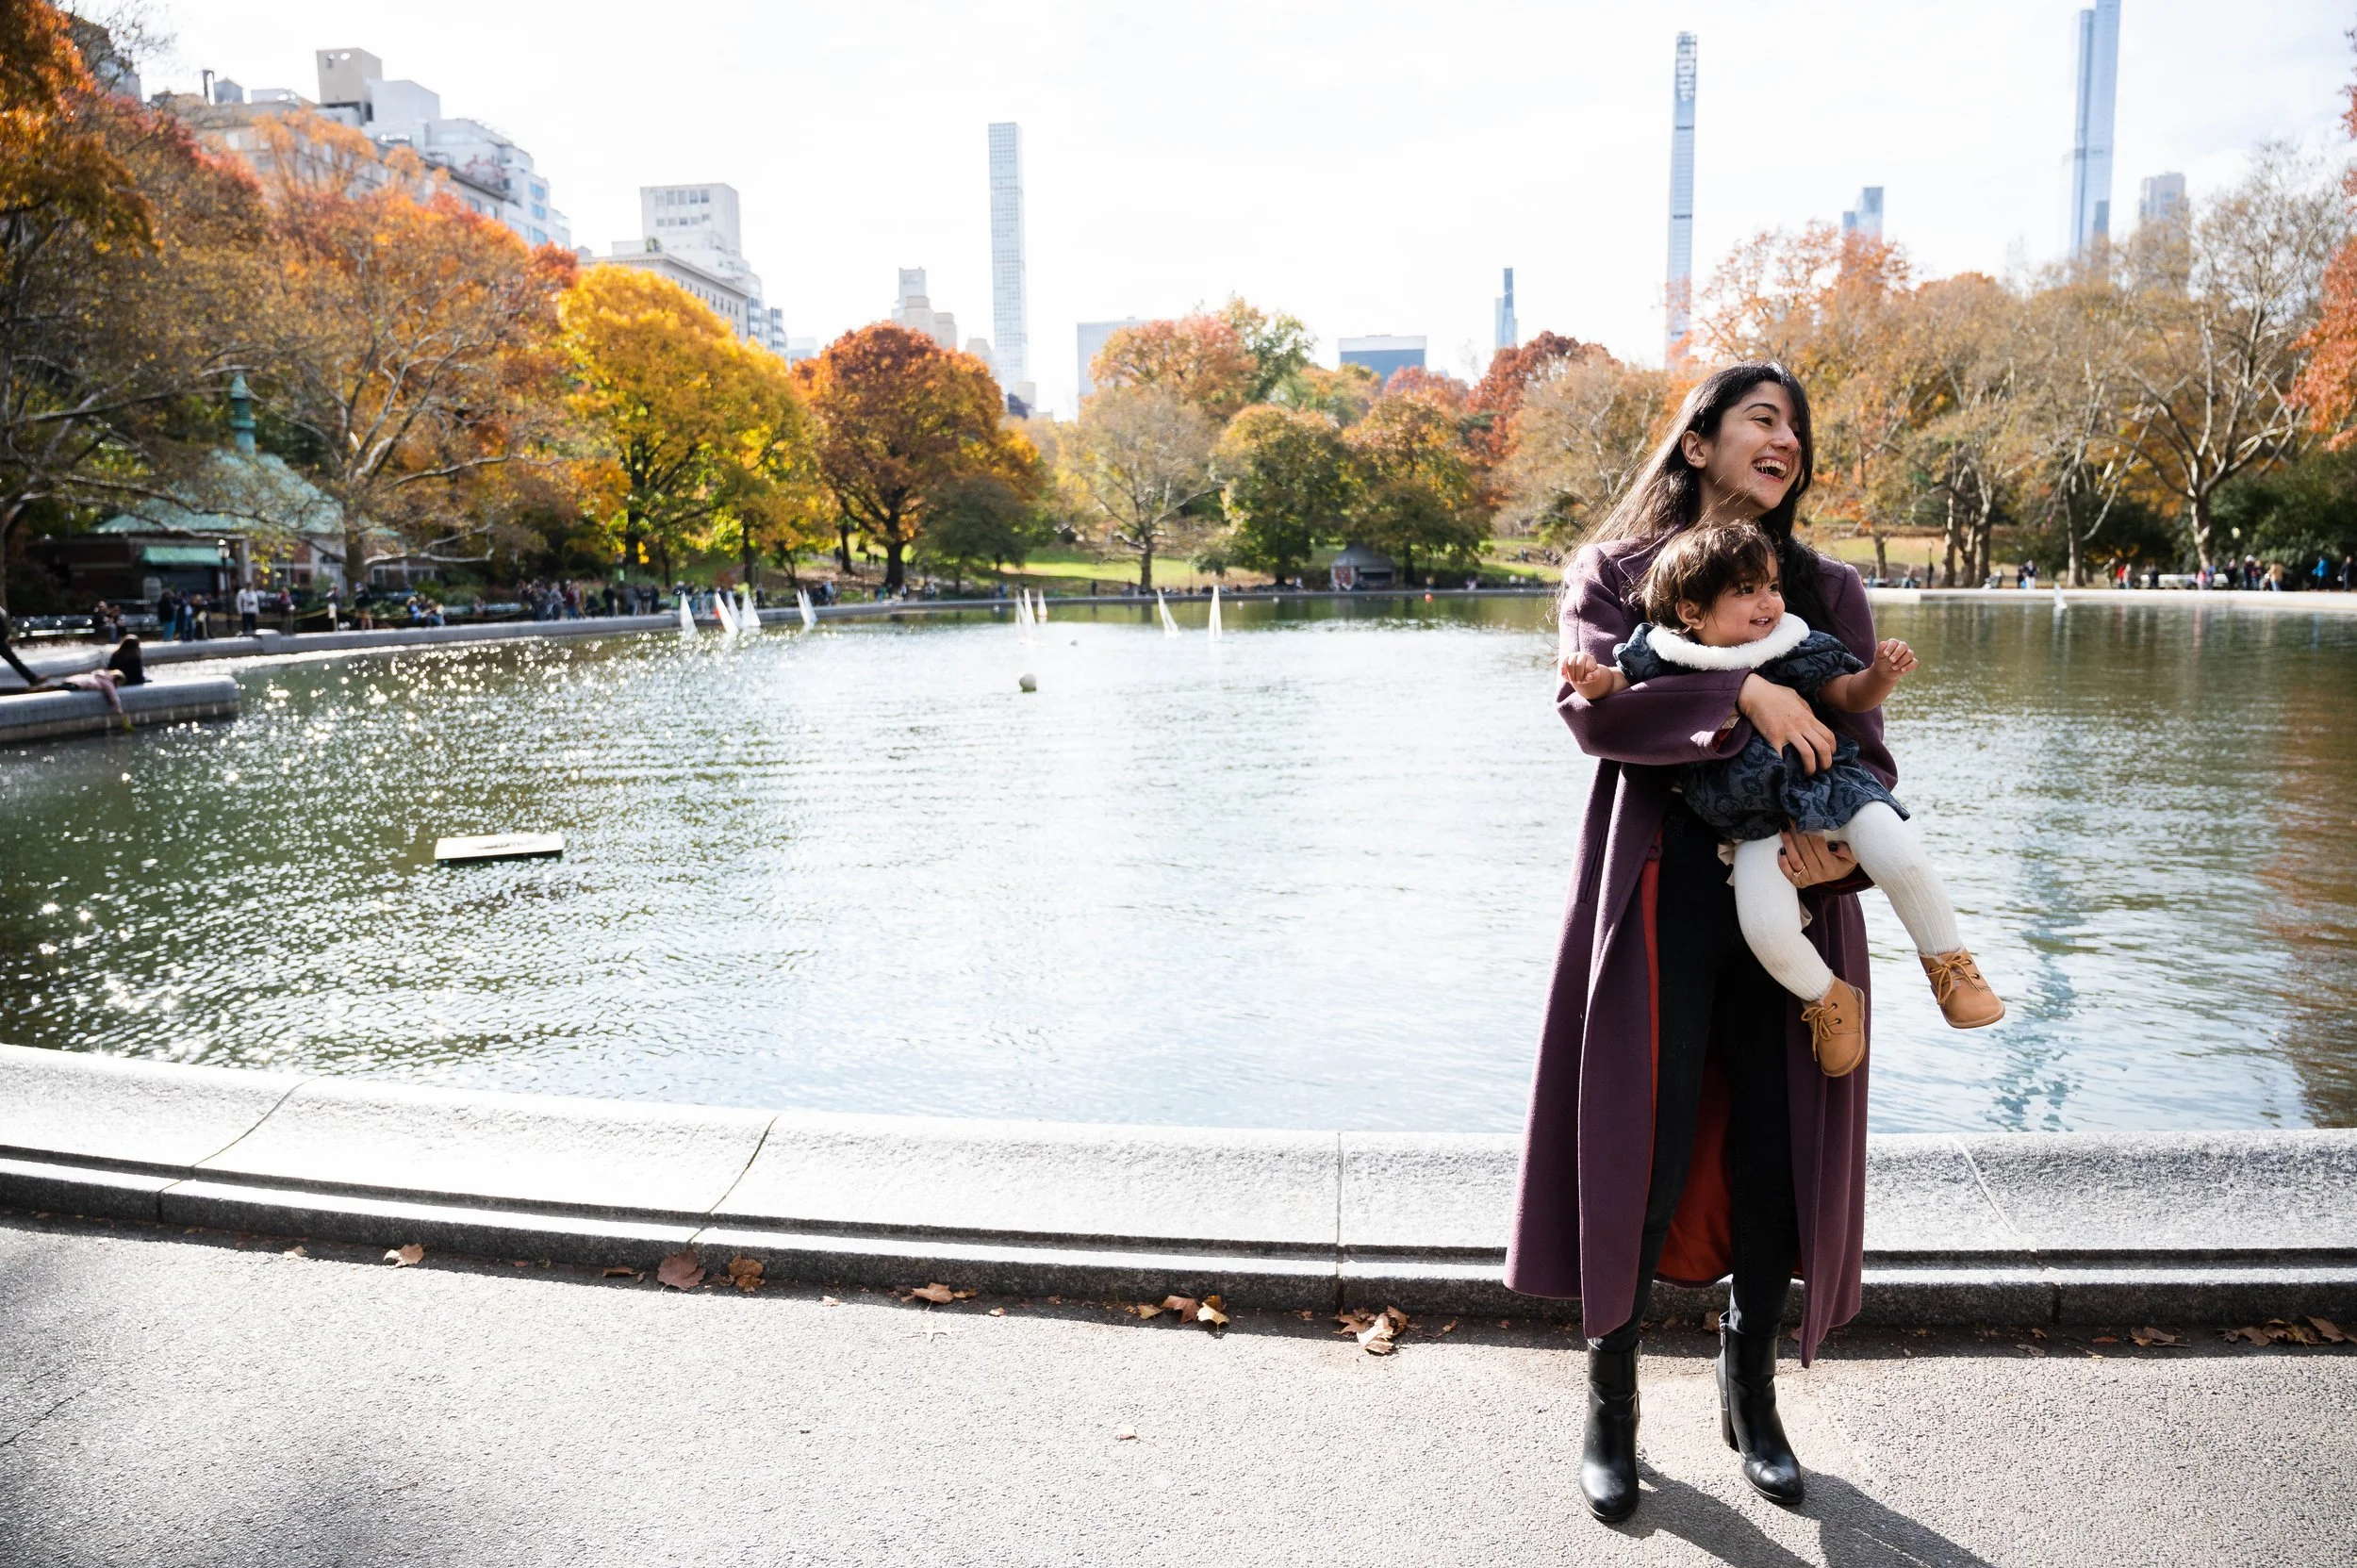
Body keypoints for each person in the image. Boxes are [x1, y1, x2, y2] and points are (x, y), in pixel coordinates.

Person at [1508, 363, 1895, 1524]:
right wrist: (1746, 702)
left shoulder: (1822, 585)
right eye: (1761, 421)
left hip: (1790, 897)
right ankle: (1612, 1403)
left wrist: (1823, 748)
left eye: (1796, 429)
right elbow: (1591, 710)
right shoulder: (1617, 573)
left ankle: (1752, 1386)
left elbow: (1869, 746)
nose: (1785, 442)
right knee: (1648, 1133)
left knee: (1779, 1138)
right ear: (1698, 444)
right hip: (1657, 894)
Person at [1564, 517, 2003, 1072]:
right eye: (1745, 590)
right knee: (1765, 925)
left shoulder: (1792, 644)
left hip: (1830, 783)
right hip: (1749, 822)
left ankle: (1948, 960)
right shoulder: (1666, 652)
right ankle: (1827, 996)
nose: (1767, 600)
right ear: (1691, 613)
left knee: (1893, 848)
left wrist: (1880, 677)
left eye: (1770, 585)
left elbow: (1847, 693)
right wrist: (1589, 679)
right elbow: (1617, 686)